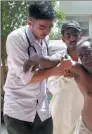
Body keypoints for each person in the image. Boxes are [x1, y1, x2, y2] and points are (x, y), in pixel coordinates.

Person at [24, 38, 92, 134]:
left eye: (88, 53)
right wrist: (37, 58)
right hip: (86, 130)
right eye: (81, 56)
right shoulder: (79, 71)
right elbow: (53, 62)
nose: (85, 58)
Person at [3, 2, 67, 134]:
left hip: (42, 110)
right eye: (42, 27)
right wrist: (59, 69)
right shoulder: (16, 38)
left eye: (49, 27)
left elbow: (46, 62)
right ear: (29, 22)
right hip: (19, 111)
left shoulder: (45, 38)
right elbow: (29, 78)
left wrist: (41, 59)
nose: (47, 31)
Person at [47, 20, 84, 134]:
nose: (72, 38)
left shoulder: (88, 59)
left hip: (82, 114)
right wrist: (65, 78)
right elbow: (52, 88)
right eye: (68, 35)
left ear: (80, 36)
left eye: (75, 35)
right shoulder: (56, 59)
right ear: (63, 38)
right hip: (60, 114)